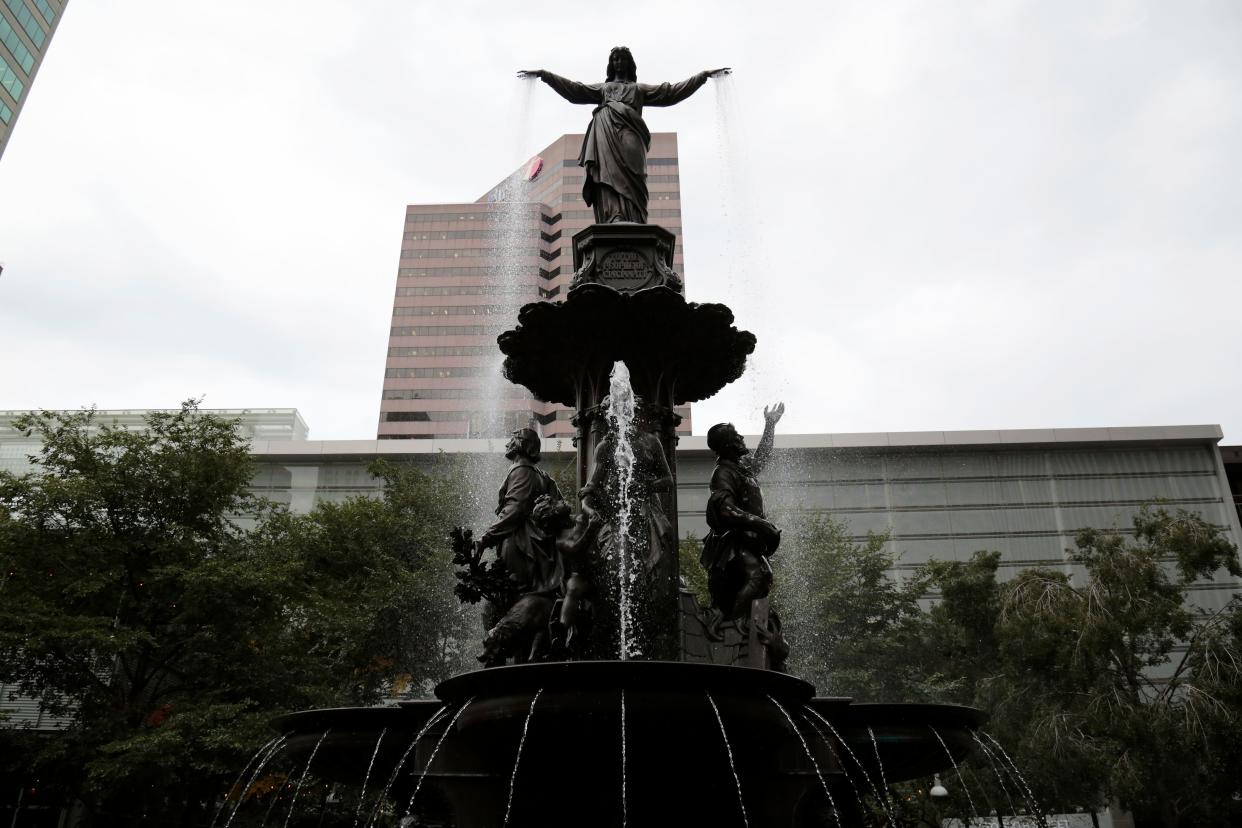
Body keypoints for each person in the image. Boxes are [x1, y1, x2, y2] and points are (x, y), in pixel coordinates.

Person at [519, 48, 729, 224]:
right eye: (615, 59)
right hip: (604, 135)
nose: (619, 62)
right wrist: (546, 76)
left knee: (634, 177)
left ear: (630, 63)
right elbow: (575, 91)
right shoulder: (604, 89)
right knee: (606, 177)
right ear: (611, 64)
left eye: (623, 59)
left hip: (631, 136)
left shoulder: (639, 89)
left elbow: (671, 93)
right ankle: (613, 217)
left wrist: (701, 77)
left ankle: (635, 219)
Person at [474, 428, 564, 664]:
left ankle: (504, 653)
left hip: (522, 545)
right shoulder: (542, 476)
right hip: (537, 547)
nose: (508, 444)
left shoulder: (522, 470)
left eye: (512, 439)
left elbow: (515, 510)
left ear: (522, 444)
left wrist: (486, 537)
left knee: (513, 597)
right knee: (511, 598)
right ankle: (521, 656)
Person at [700, 403, 785, 622]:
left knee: (763, 579)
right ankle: (734, 630)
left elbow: (762, 458)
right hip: (733, 542)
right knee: (758, 576)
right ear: (727, 445)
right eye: (736, 436)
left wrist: (769, 425)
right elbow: (727, 511)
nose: (741, 438)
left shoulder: (741, 466)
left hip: (749, 540)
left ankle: (746, 626)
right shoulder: (722, 473)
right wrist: (762, 525)